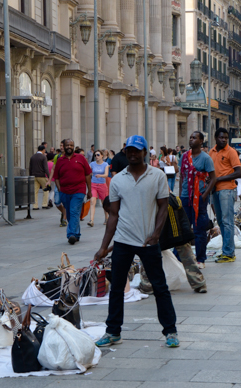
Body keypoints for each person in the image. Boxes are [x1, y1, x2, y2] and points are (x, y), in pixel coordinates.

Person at [94, 135, 179, 348]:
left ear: (144, 153)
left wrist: (156, 235)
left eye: (136, 150)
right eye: (129, 150)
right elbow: (113, 215)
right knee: (116, 289)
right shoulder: (118, 179)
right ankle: (113, 332)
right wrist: (104, 246)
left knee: (160, 287)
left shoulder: (157, 176)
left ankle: (170, 331)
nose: (132, 154)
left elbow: (163, 207)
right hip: (123, 240)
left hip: (148, 241)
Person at [180, 131, 217, 268]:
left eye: (194, 138)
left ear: (201, 141)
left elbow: (213, 178)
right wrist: (180, 195)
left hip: (199, 198)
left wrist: (204, 195)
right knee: (184, 228)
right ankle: (180, 259)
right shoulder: (184, 156)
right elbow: (182, 177)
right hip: (185, 197)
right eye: (190, 137)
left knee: (199, 229)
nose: (191, 139)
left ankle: (201, 259)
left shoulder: (206, 158)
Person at [209, 127, 241, 263]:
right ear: (216, 138)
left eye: (225, 138)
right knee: (221, 221)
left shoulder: (231, 152)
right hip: (214, 190)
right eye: (221, 137)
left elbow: (239, 172)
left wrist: (219, 179)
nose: (223, 140)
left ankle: (229, 253)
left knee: (227, 221)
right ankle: (225, 251)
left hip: (227, 189)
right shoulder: (211, 152)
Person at [52, 139, 92, 244]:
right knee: (70, 214)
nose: (69, 146)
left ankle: (71, 235)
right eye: (67, 145)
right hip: (65, 191)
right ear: (64, 147)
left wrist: (89, 190)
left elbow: (88, 174)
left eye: (71, 145)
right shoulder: (60, 160)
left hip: (79, 190)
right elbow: (56, 177)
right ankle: (76, 233)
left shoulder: (81, 158)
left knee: (74, 211)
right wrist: (60, 189)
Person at [88, 150, 109, 227]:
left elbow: (106, 174)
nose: (96, 156)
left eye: (98, 155)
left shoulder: (105, 164)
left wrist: (100, 175)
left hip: (102, 185)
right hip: (93, 184)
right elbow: (87, 170)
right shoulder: (92, 164)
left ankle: (106, 218)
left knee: (104, 203)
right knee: (92, 201)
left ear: (102, 156)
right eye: (95, 155)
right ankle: (91, 220)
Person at [49, 141, 68, 227]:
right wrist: (49, 180)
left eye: (63, 145)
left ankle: (64, 219)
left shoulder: (70, 156)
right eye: (60, 145)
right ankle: (64, 212)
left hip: (67, 182)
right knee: (57, 202)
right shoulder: (57, 156)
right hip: (58, 182)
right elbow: (53, 169)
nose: (61, 147)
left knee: (65, 202)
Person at [29, 145, 50, 210]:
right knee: (46, 190)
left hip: (34, 175)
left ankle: (35, 206)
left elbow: (30, 167)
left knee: (35, 191)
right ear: (43, 150)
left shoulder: (32, 157)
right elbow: (45, 168)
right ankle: (44, 204)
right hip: (41, 175)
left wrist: (30, 175)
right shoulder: (43, 157)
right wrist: (49, 176)